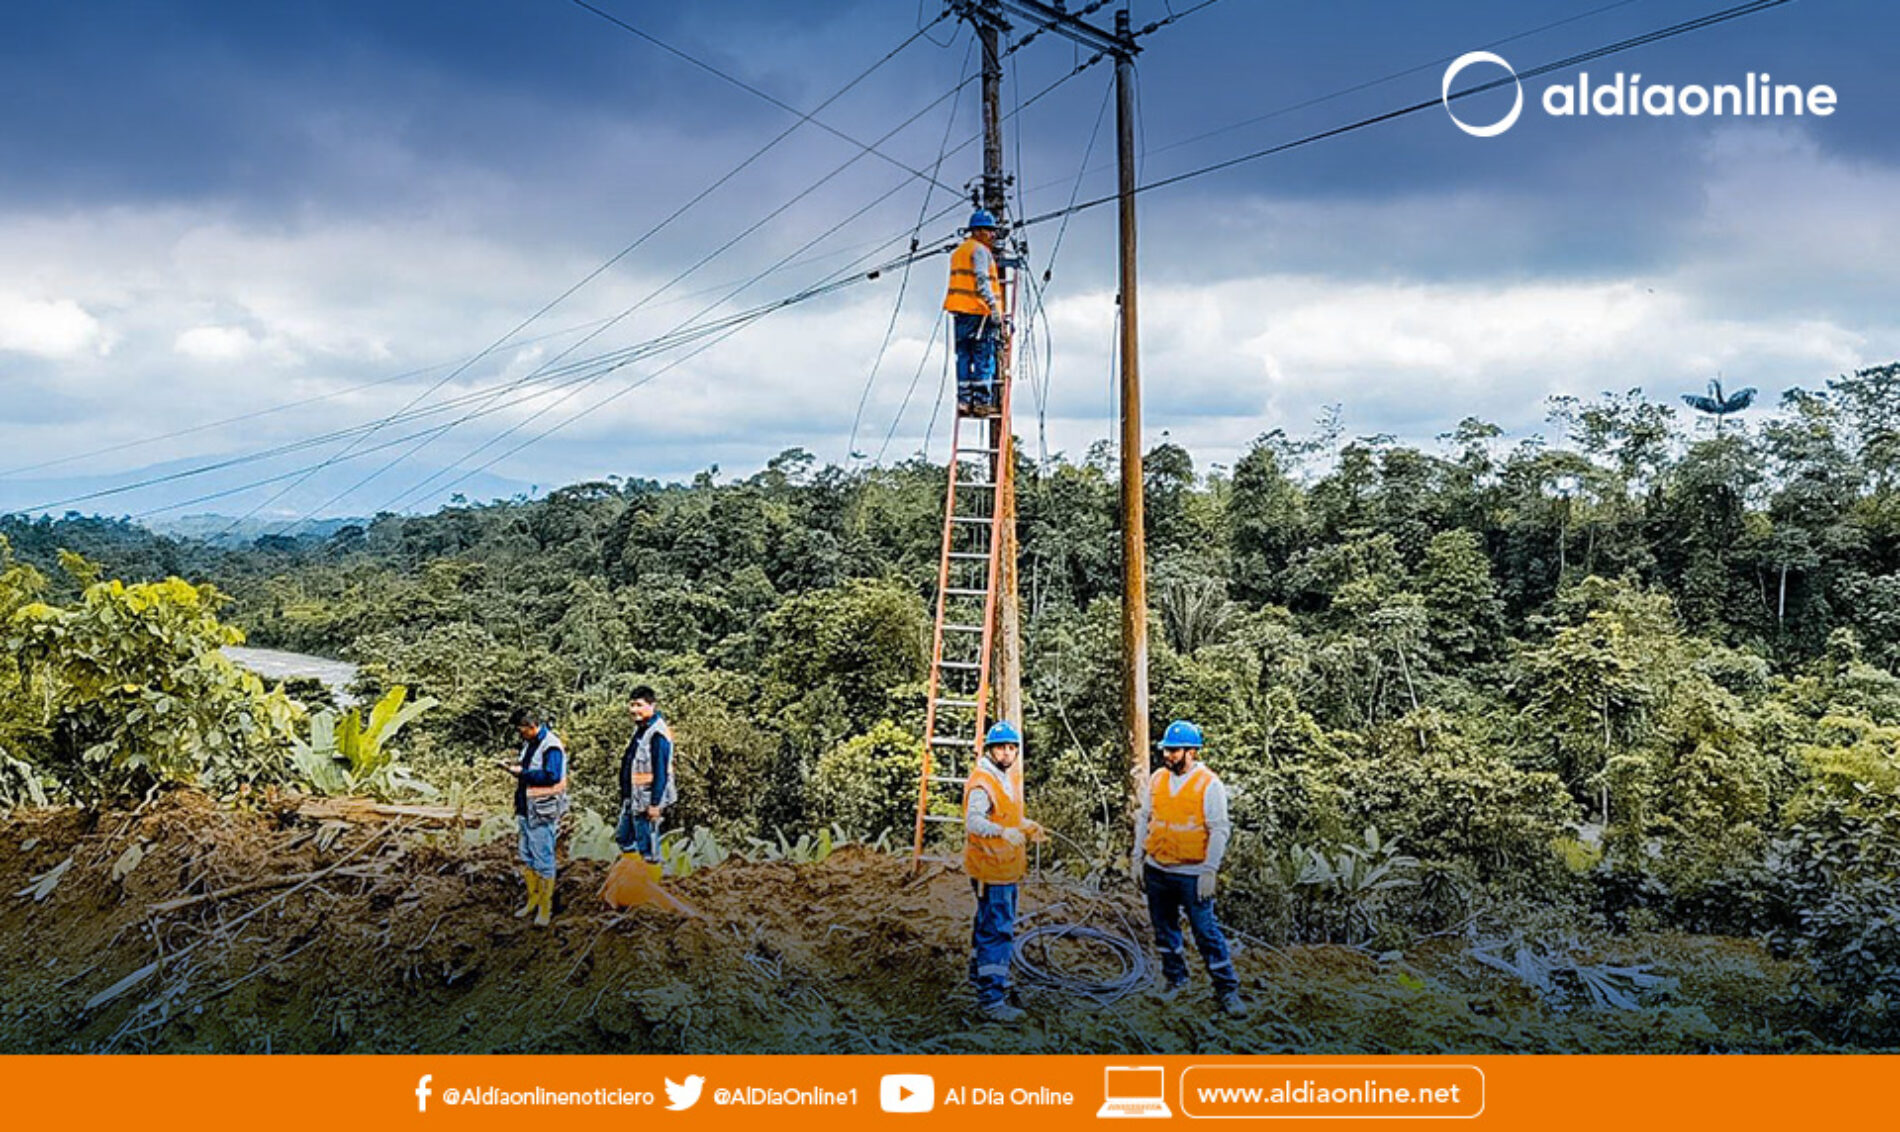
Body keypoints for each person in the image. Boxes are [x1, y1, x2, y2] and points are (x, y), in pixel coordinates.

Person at [1133, 719, 1246, 1017]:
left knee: (1205, 931)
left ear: (1191, 752)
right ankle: (1175, 979)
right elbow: (1145, 817)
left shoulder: (1210, 785)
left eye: (1174, 751)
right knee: (1164, 929)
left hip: (1192, 874)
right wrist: (1137, 857)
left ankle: (1227, 990)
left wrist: (1210, 869)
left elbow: (1219, 829)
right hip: (1157, 868)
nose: (1167, 755)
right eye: (1166, 750)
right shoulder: (1157, 779)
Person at [963, 719, 1045, 1023]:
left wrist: (1025, 827)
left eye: (1012, 748)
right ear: (990, 749)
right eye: (1002, 747)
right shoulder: (984, 781)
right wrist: (1002, 832)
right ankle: (992, 999)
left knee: (987, 924)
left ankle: (980, 978)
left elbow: (1007, 816)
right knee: (997, 930)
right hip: (991, 869)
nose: (1007, 753)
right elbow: (974, 821)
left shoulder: (1004, 778)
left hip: (1003, 868)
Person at [501, 707, 569, 927]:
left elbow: (551, 775)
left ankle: (545, 909)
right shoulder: (530, 744)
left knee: (543, 859)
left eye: (521, 728)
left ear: (531, 726)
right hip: (526, 808)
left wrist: (522, 773)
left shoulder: (552, 746)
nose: (519, 732)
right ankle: (533, 900)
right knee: (527, 855)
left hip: (542, 810)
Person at [943, 209, 1004, 415]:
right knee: (982, 355)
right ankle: (981, 402)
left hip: (960, 312)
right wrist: (994, 307)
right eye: (989, 230)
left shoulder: (959, 252)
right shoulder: (979, 251)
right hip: (978, 311)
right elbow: (981, 279)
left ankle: (964, 401)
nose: (992, 235)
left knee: (963, 355)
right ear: (978, 231)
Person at [615, 685, 675, 880]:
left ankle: (651, 886)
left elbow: (661, 772)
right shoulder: (641, 730)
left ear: (652, 705)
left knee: (648, 848)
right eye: (632, 705)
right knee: (623, 837)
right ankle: (633, 875)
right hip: (633, 797)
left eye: (639, 705)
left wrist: (655, 804)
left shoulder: (657, 734)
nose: (634, 710)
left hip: (647, 799)